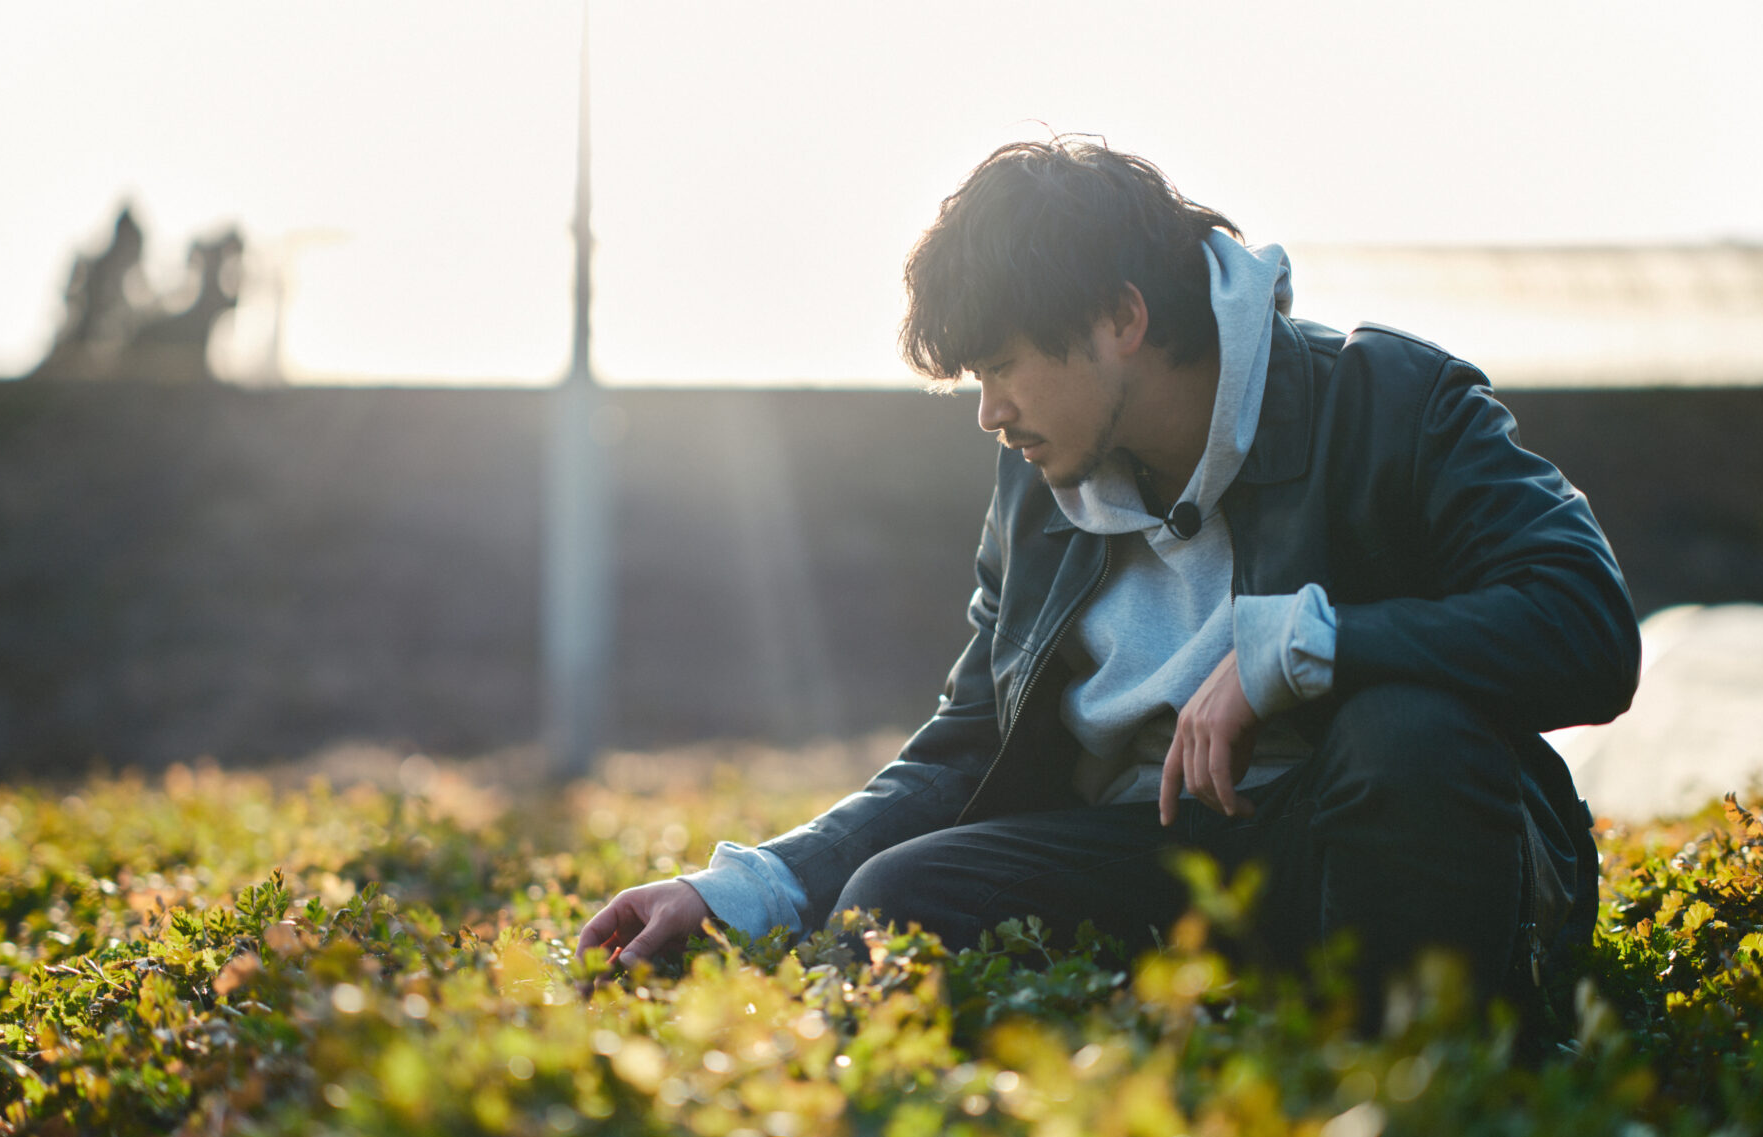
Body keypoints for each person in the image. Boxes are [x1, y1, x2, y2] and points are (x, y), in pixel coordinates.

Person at [580, 136, 1640, 1011]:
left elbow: (1586, 626)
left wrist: (1302, 649)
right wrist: (736, 891)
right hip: (1162, 859)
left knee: (1401, 727)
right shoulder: (1037, 484)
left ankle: (1419, 1088)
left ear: (1121, 321)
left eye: (1001, 367)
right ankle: (1181, 1044)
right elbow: (967, 744)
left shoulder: (1389, 401)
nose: (991, 414)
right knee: (894, 895)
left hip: (1385, 837)